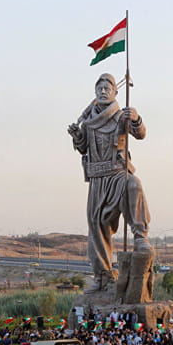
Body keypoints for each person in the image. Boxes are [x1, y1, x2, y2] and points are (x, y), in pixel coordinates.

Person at [68, 73, 151, 290]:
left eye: (107, 87)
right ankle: (103, 276)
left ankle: (140, 236)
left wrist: (135, 118)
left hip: (118, 172)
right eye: (100, 88)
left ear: (115, 92)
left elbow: (140, 134)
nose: (103, 91)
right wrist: (77, 135)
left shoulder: (121, 115)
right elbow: (84, 147)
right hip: (97, 178)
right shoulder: (87, 121)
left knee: (135, 185)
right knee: (97, 227)